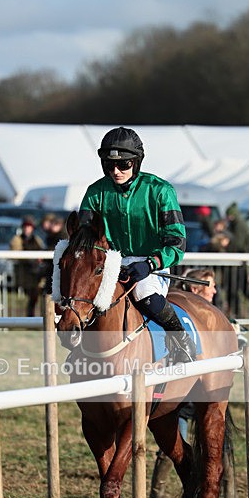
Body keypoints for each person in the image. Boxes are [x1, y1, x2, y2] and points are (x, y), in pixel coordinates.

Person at [80, 127, 195, 362]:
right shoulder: (95, 193)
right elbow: (83, 239)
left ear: (136, 162)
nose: (116, 171)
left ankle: (180, 338)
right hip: (110, 265)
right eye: (110, 165)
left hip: (150, 266)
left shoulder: (160, 190)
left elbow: (177, 242)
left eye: (124, 165)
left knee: (144, 293)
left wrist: (150, 264)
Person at [149, 268, 239, 498]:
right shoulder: (190, 311)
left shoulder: (216, 316)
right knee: (172, 434)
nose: (215, 290)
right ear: (195, 290)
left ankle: (229, 492)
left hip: (207, 384)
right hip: (182, 389)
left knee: (219, 437)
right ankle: (159, 489)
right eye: (210, 286)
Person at [9, 215, 46, 316]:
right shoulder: (17, 239)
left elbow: (42, 250)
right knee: (29, 298)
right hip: (24, 274)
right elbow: (16, 254)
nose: (27, 229)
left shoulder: (36, 239)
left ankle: (35, 318)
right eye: (25, 226)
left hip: (36, 274)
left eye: (29, 226)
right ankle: (29, 319)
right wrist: (32, 259)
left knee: (36, 298)